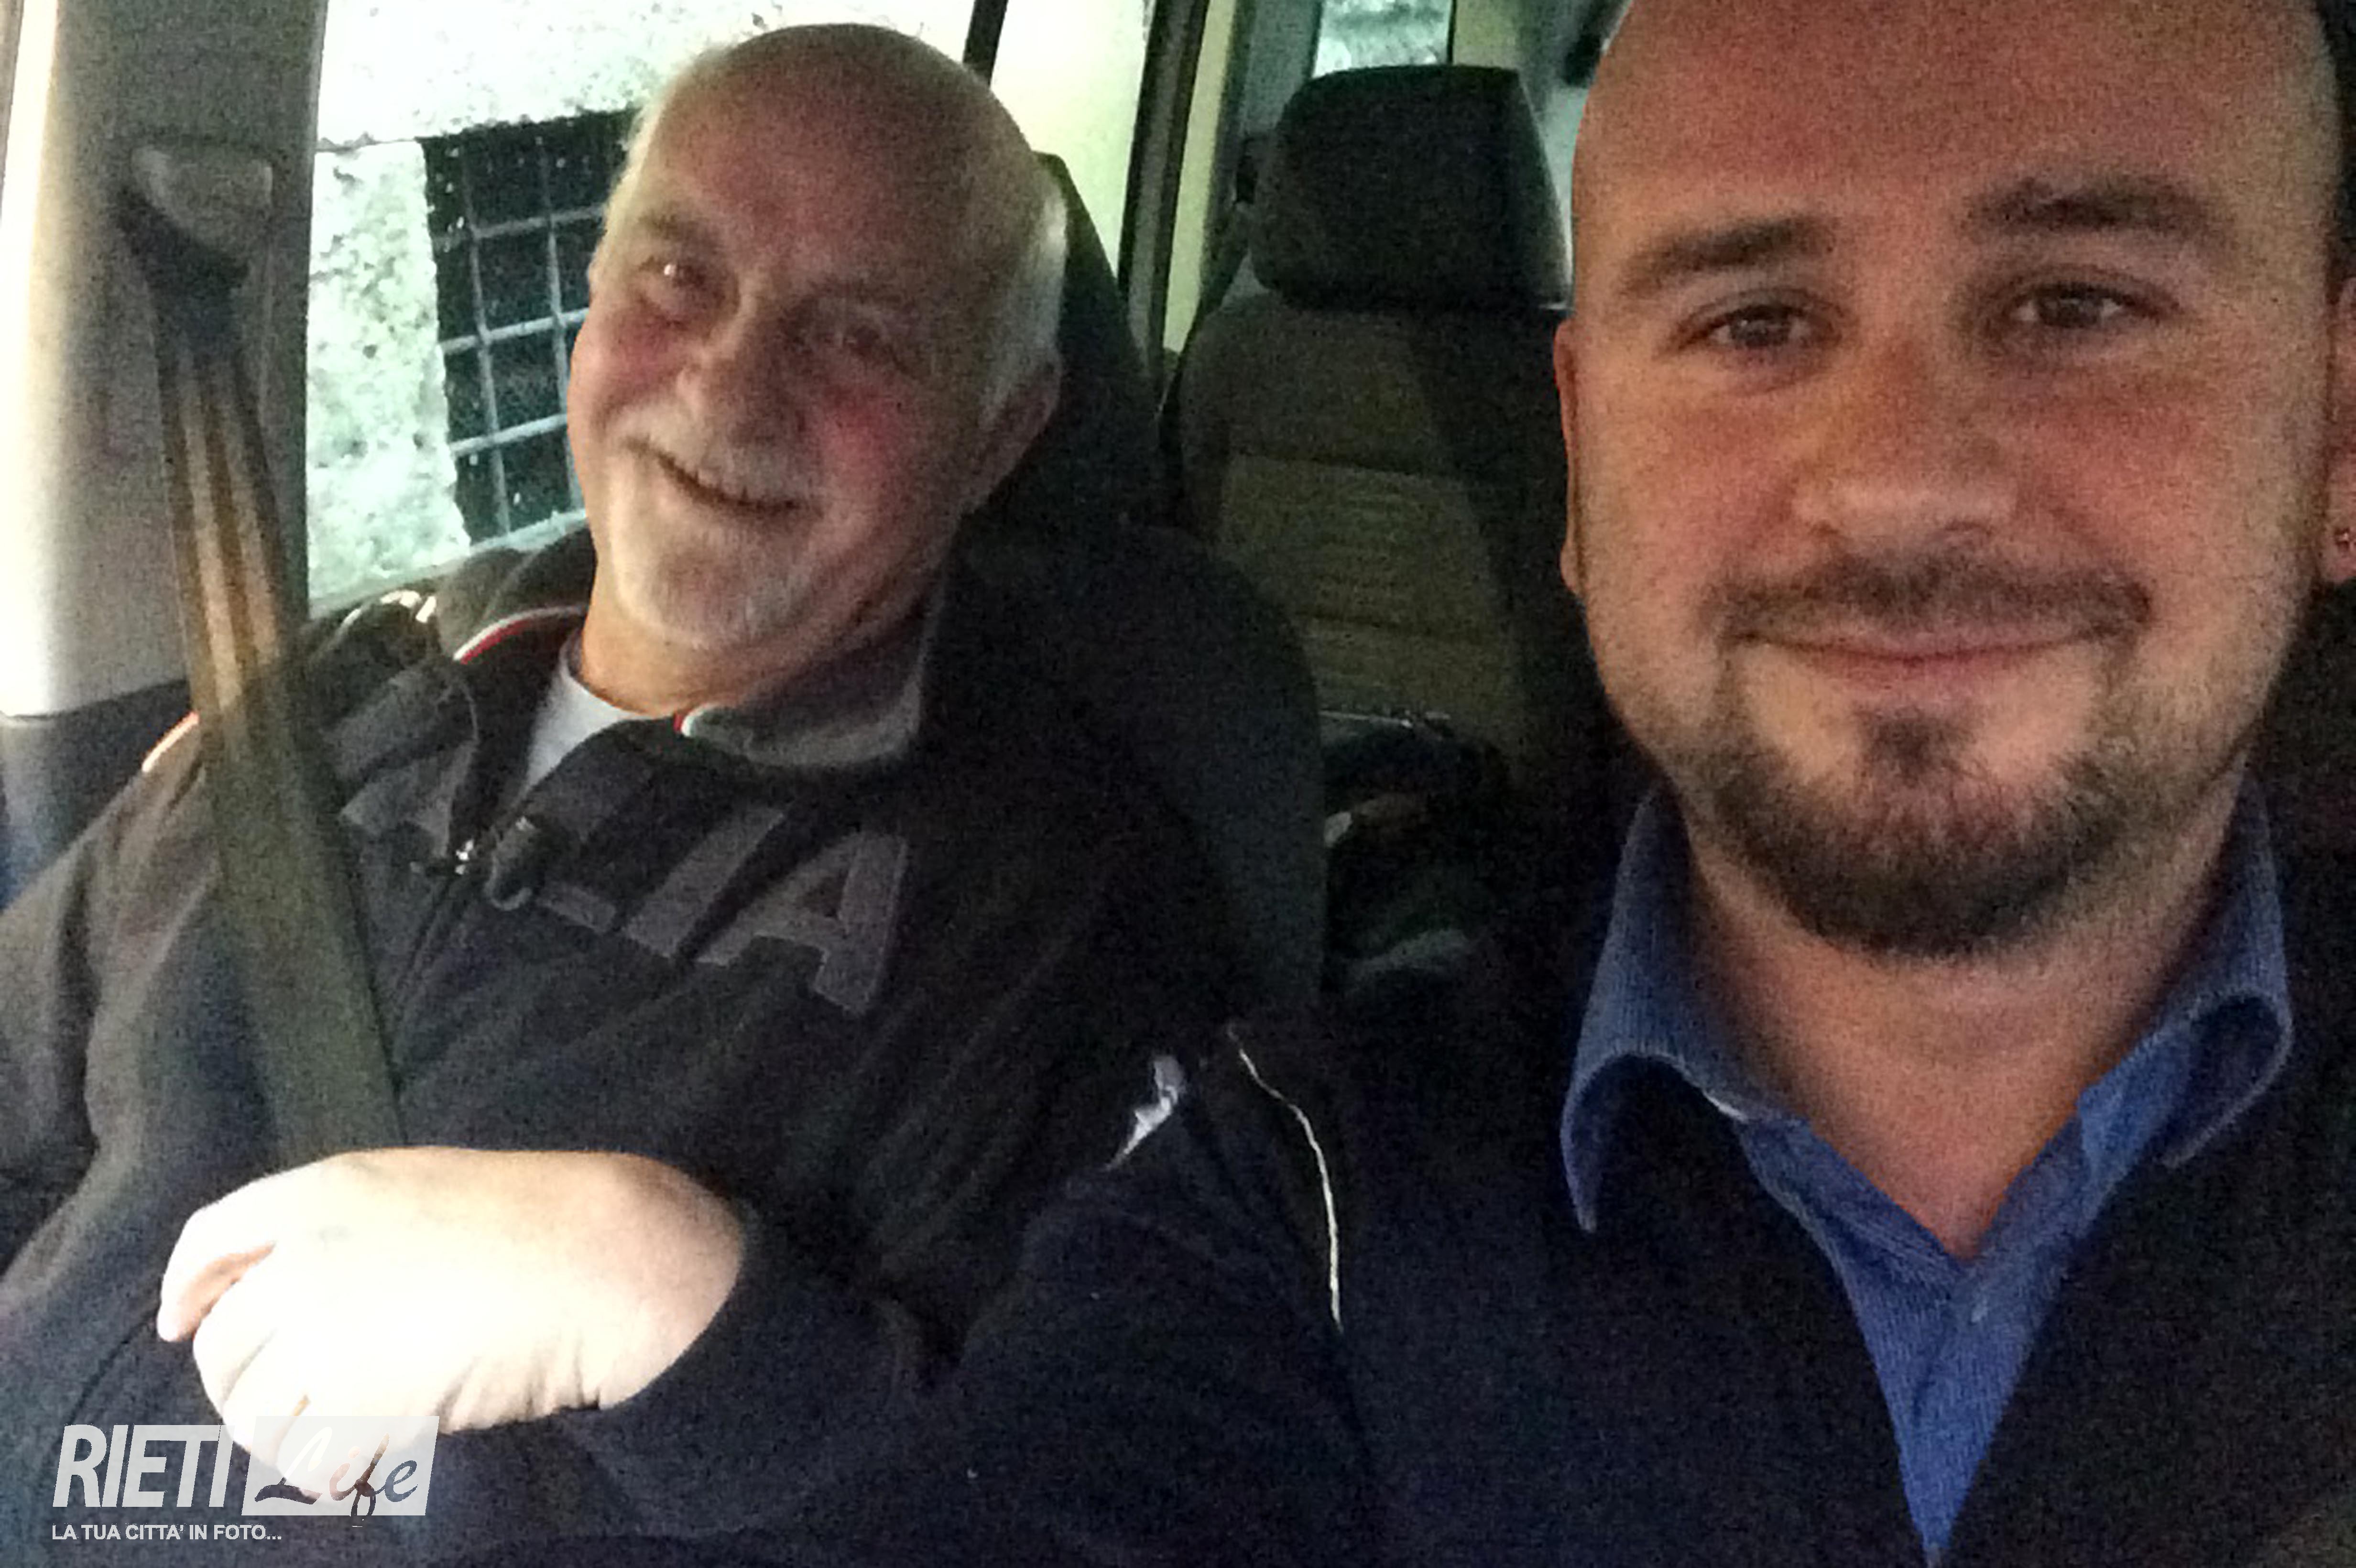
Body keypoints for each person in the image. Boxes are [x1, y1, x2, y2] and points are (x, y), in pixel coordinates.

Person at [775, 0, 2356, 1563]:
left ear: (2337, 433)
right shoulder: (1303, 1201)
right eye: (1754, 324)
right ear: (1585, 466)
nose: (1900, 485)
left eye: (2077, 307)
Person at [0, 23, 1236, 1563]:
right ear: (591, 294)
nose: (731, 383)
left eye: (858, 338)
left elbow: (1079, 1515)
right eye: (677, 276)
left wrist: (667, 1298)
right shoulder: (333, 700)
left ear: (1001, 431)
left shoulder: (1056, 932)